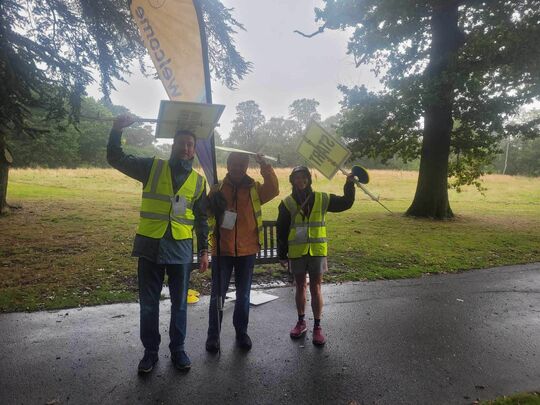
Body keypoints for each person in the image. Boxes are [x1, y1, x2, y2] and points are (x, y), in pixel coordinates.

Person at [107, 115, 209, 373]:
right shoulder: (151, 167)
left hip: (181, 249)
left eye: (190, 145)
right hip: (150, 246)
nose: (186, 148)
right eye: (182, 143)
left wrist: (205, 249)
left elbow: (202, 219)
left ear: (194, 150)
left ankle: (178, 350)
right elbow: (116, 158)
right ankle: (150, 352)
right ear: (172, 145)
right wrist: (116, 130)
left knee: (180, 304)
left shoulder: (198, 182)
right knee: (149, 304)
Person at [205, 152, 279, 352]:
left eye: (241, 165)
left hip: (247, 249)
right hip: (222, 250)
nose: (237, 168)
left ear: (246, 166)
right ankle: (213, 335)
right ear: (227, 165)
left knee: (243, 295)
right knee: (217, 295)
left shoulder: (254, 188)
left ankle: (241, 332)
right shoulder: (217, 188)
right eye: (234, 164)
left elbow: (273, 189)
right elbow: (206, 213)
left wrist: (265, 165)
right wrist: (212, 205)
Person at [276, 166, 355, 346]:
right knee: (300, 286)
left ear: (309, 179)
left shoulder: (322, 198)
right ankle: (301, 322)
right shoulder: (287, 203)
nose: (301, 181)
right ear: (292, 180)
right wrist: (281, 254)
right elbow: (281, 230)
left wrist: (349, 184)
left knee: (316, 287)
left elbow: (346, 203)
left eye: (304, 177)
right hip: (297, 252)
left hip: (317, 251)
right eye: (297, 178)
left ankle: (318, 327)